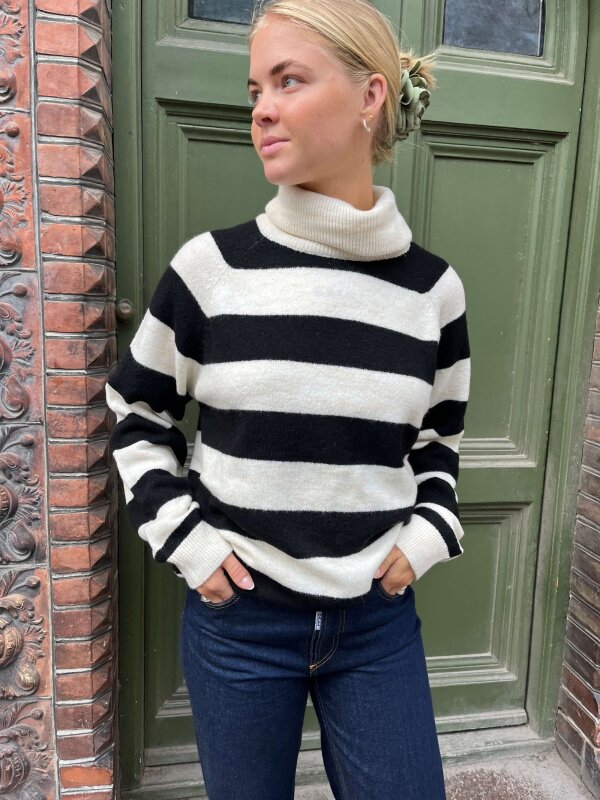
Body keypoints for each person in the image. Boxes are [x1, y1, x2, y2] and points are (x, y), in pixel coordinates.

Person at [105, 0, 471, 797]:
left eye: (289, 81)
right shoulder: (211, 272)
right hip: (240, 623)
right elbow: (138, 416)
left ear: (370, 95)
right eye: (255, 90)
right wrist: (191, 545)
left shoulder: (433, 294)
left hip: (375, 622)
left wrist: (427, 534)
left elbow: (438, 442)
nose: (262, 109)